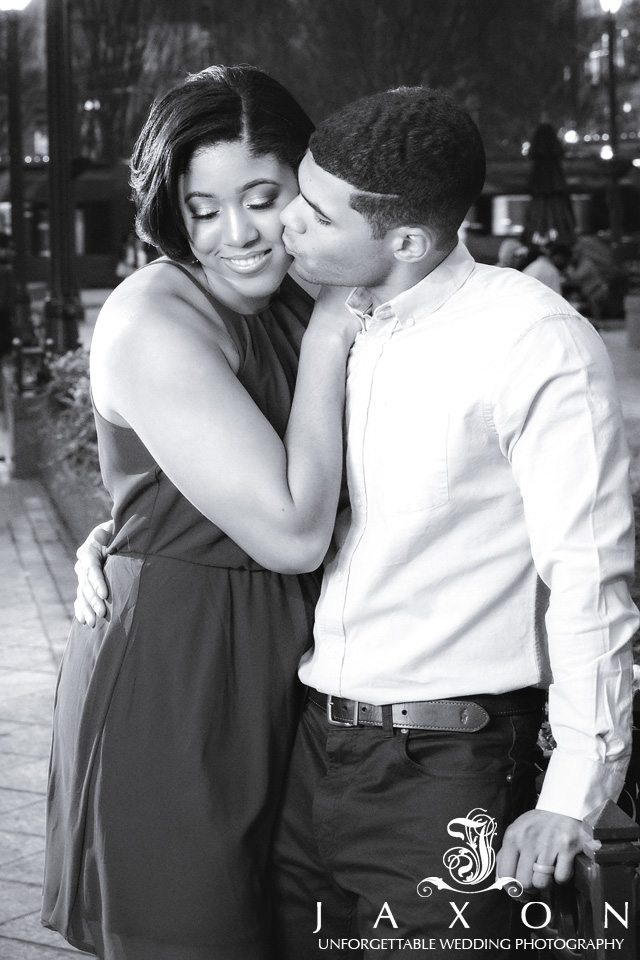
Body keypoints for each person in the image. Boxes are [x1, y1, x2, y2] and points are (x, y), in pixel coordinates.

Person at [74, 86, 638, 959]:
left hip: (431, 751)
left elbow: (590, 572)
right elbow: (186, 485)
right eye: (206, 208)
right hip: (269, 712)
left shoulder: (506, 336)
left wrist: (573, 789)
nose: (266, 231)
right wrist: (125, 537)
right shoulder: (322, 308)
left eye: (281, 203)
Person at [41, 64, 359, 960]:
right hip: (181, 676)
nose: (239, 234)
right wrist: (336, 325)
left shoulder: (306, 290)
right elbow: (294, 531)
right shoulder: (156, 318)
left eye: (263, 197)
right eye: (203, 207)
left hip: (303, 672)